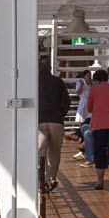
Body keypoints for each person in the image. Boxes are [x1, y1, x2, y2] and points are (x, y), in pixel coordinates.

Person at [76, 68, 109, 191]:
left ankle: (100, 182)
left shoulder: (94, 90)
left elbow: (89, 109)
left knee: (99, 153)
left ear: (97, 80)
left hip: (99, 125)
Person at [37, 56, 72, 191]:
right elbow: (66, 101)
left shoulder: (34, 82)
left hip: (39, 120)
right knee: (55, 151)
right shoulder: (58, 81)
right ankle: (52, 179)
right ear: (50, 68)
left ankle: (42, 179)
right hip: (56, 120)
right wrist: (60, 114)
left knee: (41, 150)